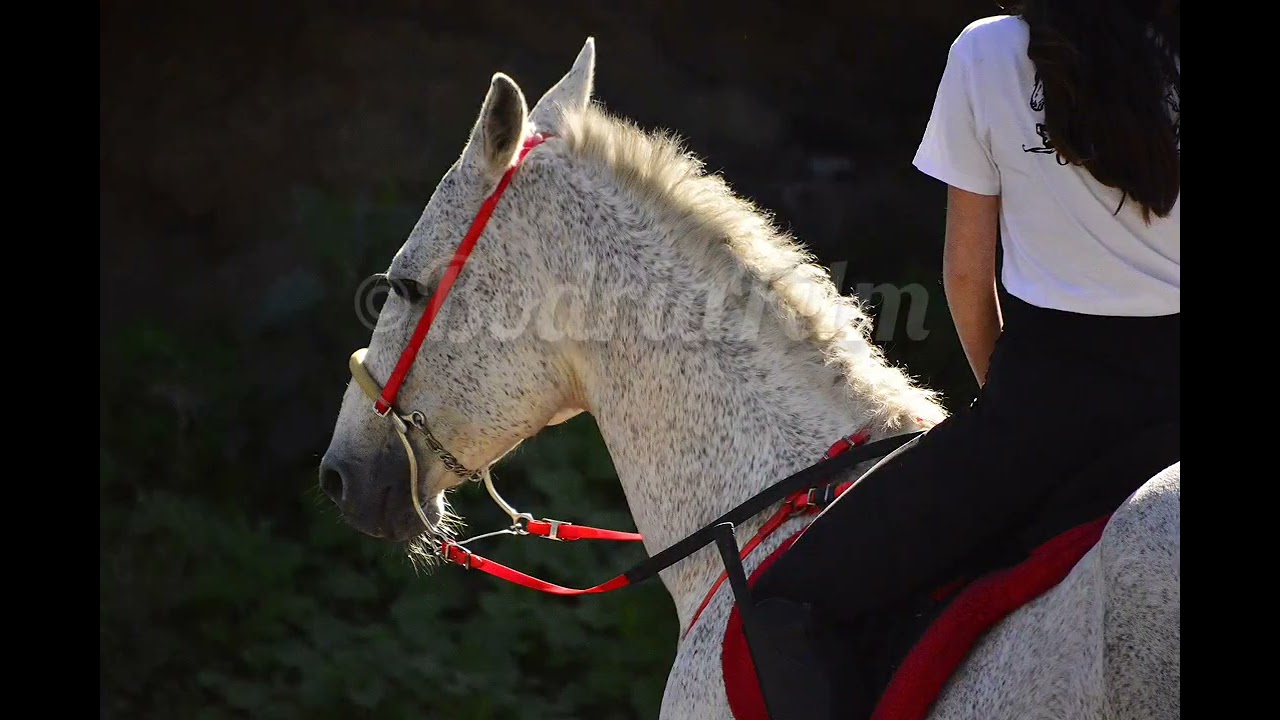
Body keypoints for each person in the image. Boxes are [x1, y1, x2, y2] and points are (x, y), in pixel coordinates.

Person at [748, 1, 1180, 717]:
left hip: (1043, 414)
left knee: (787, 603)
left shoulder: (988, 53)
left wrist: (1006, 415)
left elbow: (965, 276)